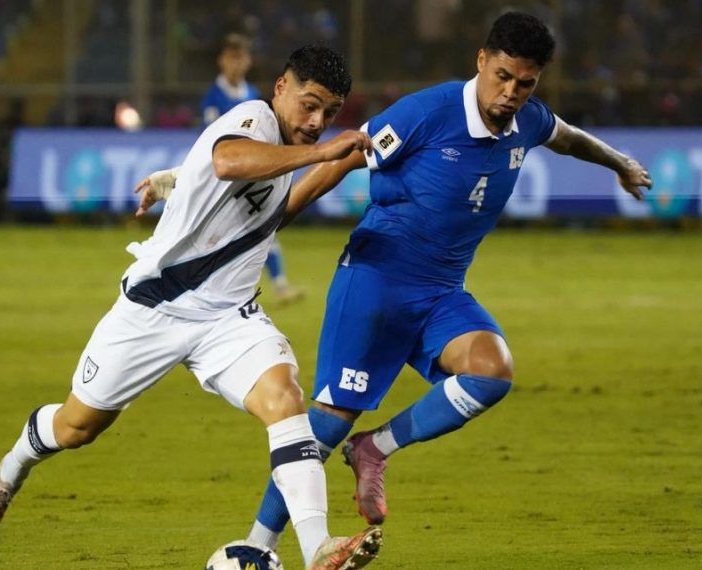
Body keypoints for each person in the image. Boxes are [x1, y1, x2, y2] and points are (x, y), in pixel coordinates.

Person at [155, 11, 652, 548]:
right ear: (481, 61)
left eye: (525, 83)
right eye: (502, 76)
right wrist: (267, 224)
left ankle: (376, 449)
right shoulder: (429, 112)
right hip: (376, 280)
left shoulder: (526, 119)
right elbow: (343, 157)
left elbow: (567, 136)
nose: (511, 92)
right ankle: (258, 546)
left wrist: (619, 161)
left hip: (441, 292)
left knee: (491, 372)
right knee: (327, 423)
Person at [0, 45, 382, 570]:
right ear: (280, 88)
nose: (317, 122)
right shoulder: (252, 118)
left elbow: (280, 210)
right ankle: (12, 466)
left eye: (330, 113)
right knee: (77, 427)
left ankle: (318, 547)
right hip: (154, 307)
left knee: (285, 398)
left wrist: (343, 160)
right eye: (309, 104)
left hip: (227, 317)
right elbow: (228, 159)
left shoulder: (289, 148)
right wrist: (322, 153)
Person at [201, 33, 304, 305]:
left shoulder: (254, 96)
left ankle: (277, 287)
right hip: (226, 176)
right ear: (221, 60)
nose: (236, 63)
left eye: (241, 56)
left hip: (256, 174)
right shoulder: (213, 97)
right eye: (232, 56)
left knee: (263, 229)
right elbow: (212, 138)